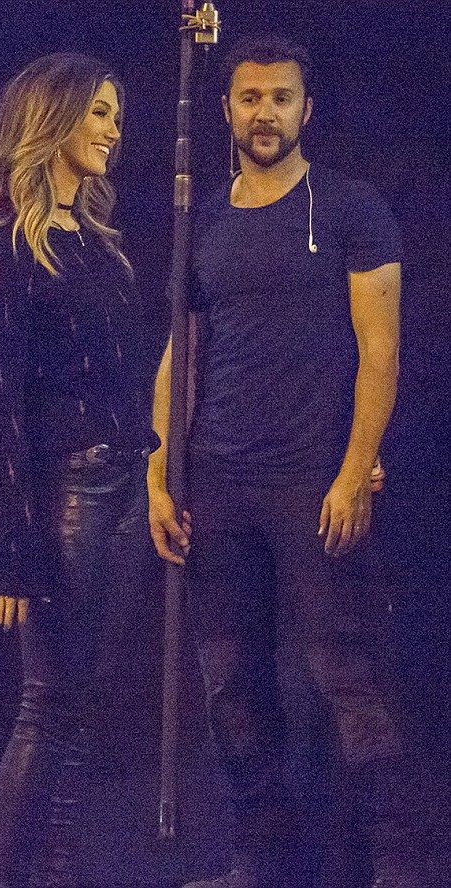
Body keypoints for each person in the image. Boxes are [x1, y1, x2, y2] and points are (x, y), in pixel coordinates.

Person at [148, 34, 434, 888]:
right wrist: (160, 471)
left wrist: (355, 468)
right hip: (218, 484)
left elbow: (381, 351)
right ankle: (259, 860)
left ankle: (398, 862)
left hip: (313, 481)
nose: (264, 113)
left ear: (307, 108)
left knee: (345, 676)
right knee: (230, 686)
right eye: (250, 98)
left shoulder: (350, 208)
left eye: (280, 97)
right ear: (226, 110)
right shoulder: (205, 221)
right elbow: (179, 354)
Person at [0, 53, 158, 888]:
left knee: (80, 709)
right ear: (54, 118)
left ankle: (56, 876)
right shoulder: (7, 246)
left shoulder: (98, 245)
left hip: (124, 485)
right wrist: (12, 549)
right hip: (68, 493)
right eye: (99, 112)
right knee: (47, 708)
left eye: (117, 114)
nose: (114, 130)